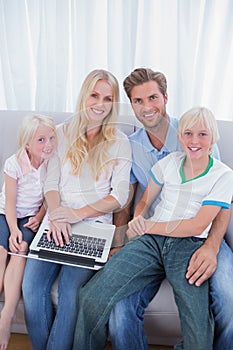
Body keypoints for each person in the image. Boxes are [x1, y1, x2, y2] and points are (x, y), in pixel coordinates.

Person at [73, 106, 233, 350]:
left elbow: (197, 225)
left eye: (203, 134)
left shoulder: (223, 175)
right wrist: (137, 217)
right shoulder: (169, 163)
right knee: (90, 296)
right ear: (180, 136)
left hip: (189, 246)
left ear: (213, 138)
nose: (194, 141)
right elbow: (145, 199)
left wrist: (148, 225)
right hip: (150, 243)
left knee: (198, 334)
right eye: (188, 133)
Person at [108, 68, 233, 350]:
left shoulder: (196, 132)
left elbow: (223, 202)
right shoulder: (131, 145)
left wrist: (212, 246)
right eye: (138, 101)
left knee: (229, 297)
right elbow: (127, 202)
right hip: (154, 233)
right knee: (120, 310)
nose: (147, 107)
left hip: (201, 233)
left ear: (165, 97)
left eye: (152, 97)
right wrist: (120, 240)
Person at [22, 69, 132, 350]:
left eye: (107, 98)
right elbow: (51, 183)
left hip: (93, 227)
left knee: (71, 292)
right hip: (57, 221)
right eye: (94, 95)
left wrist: (77, 214)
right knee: (32, 289)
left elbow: (118, 196)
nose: (99, 103)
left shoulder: (119, 141)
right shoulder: (59, 133)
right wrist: (58, 214)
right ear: (84, 95)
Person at [0, 114, 57, 350]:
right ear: (27, 144)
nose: (48, 144)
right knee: (2, 251)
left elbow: (52, 193)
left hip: (31, 218)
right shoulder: (14, 163)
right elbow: (10, 203)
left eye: (51, 138)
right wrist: (13, 229)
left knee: (21, 249)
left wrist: (41, 216)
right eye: (41, 140)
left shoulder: (53, 162)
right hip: (7, 214)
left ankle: (7, 316)